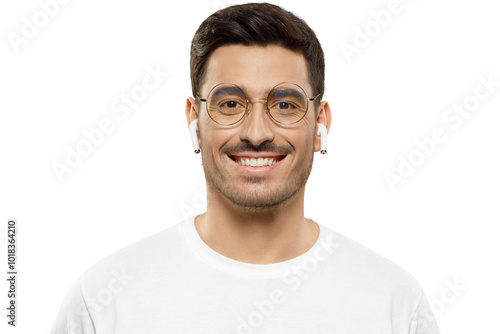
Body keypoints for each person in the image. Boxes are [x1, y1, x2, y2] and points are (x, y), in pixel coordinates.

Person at [51, 3, 440, 333]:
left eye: (286, 104)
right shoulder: (104, 303)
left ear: (320, 124)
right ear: (195, 120)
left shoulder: (395, 305)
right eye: (230, 104)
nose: (257, 133)